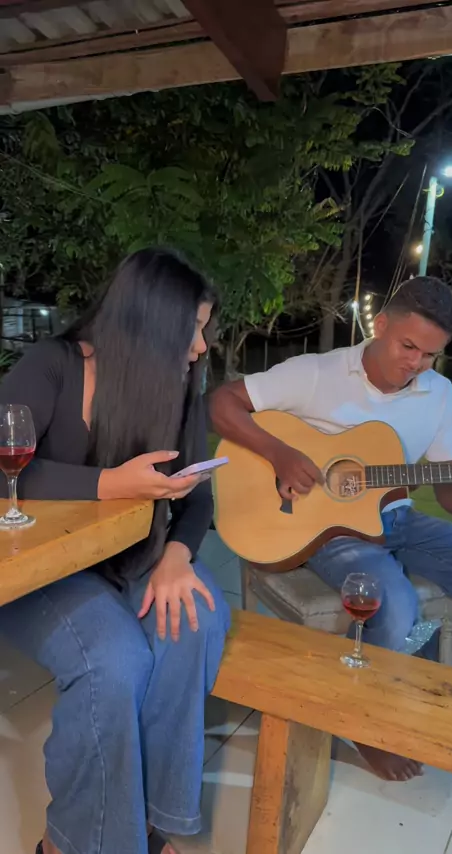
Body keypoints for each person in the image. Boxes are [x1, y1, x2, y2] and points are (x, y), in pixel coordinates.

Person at [0, 248, 231, 854]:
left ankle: (152, 823)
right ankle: (71, 844)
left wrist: (178, 556)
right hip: (40, 572)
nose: (200, 346)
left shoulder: (177, 388)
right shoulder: (51, 366)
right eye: (193, 328)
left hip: (136, 560)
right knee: (114, 660)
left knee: (194, 621)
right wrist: (110, 484)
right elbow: (4, 468)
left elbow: (198, 496)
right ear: (149, 323)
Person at [209, 275, 452, 783]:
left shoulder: (439, 394)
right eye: (408, 346)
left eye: (430, 354)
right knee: (394, 603)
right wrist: (280, 454)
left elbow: (451, 493)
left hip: (396, 517)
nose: (416, 363)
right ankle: (365, 727)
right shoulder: (316, 373)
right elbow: (222, 402)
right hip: (329, 530)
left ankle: (414, 679)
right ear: (381, 325)